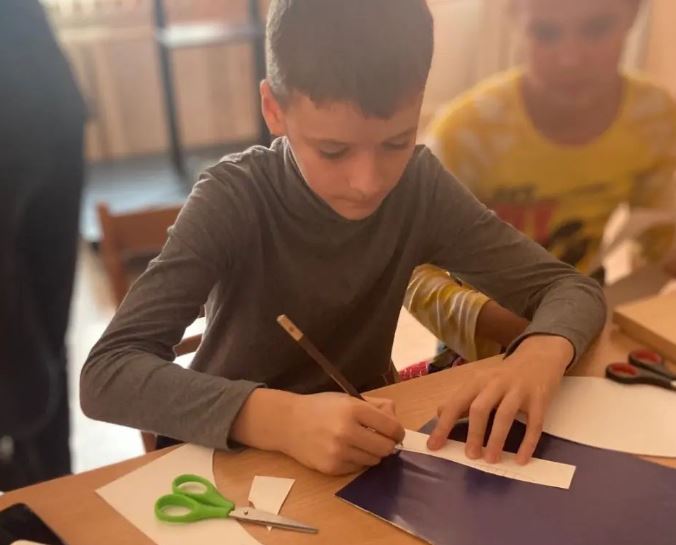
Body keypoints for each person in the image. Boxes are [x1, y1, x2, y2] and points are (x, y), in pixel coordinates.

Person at [81, 0, 605, 475]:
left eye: (397, 142)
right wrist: (283, 420)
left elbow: (570, 289)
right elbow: (107, 373)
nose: (368, 182)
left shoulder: (418, 187)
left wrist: (538, 355)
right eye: (333, 151)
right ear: (274, 110)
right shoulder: (233, 198)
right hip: (226, 461)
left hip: (362, 449)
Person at [406, 0, 676, 362]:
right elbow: (410, 269)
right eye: (546, 33)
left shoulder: (653, 117)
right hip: (482, 333)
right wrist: (524, 331)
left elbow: (659, 240)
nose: (570, 59)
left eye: (596, 29)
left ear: (633, 14)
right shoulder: (465, 134)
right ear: (514, 18)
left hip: (583, 313)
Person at [0, 0, 86, 489]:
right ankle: (52, 495)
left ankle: (51, 495)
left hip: (39, 104)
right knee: (40, 345)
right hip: (45, 95)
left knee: (37, 352)